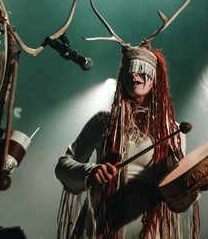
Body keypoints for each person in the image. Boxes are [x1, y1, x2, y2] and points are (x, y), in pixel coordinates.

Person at [55, 44, 200, 238]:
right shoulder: (103, 121)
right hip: (101, 226)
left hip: (150, 229)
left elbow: (178, 196)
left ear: (155, 80)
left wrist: (200, 183)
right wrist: (89, 171)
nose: (134, 76)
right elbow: (63, 165)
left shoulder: (173, 131)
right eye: (129, 71)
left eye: (141, 71)